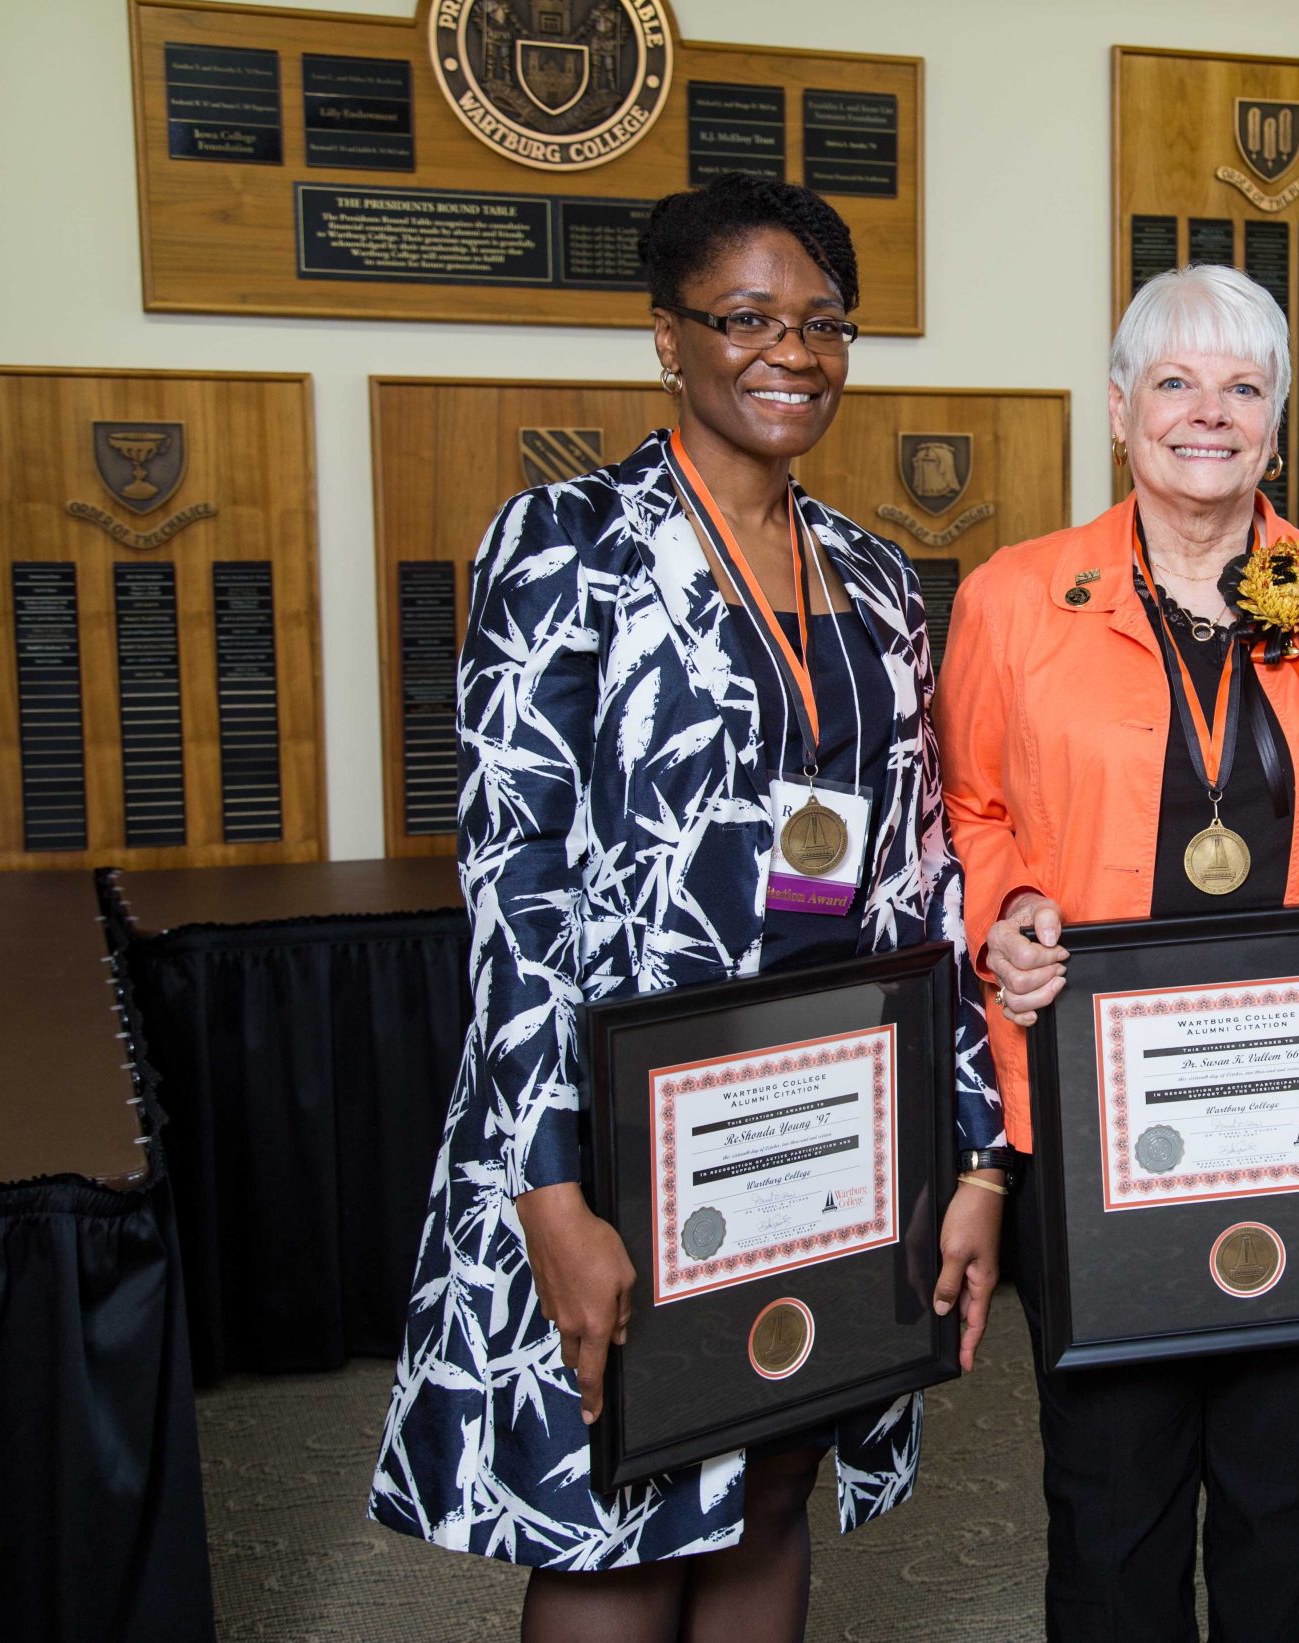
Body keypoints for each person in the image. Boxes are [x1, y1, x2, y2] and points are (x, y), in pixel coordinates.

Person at [369, 173, 1008, 1642]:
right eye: (748, 318)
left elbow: (917, 875)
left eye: (825, 324)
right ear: (669, 340)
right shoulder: (563, 546)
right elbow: (511, 886)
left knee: (773, 1477)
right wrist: (550, 1194)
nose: (792, 352)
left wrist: (971, 1153)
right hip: (615, 1117)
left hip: (821, 1109)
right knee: (621, 1520)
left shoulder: (877, 576)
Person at [932, 263, 1299, 1642]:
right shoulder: (1014, 600)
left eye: (1242, 387)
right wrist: (1002, 914)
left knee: (1289, 1490)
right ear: (1119, 407)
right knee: (1110, 1494)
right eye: (1174, 382)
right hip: (1094, 1126)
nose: (1208, 413)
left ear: (1278, 422)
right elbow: (968, 808)